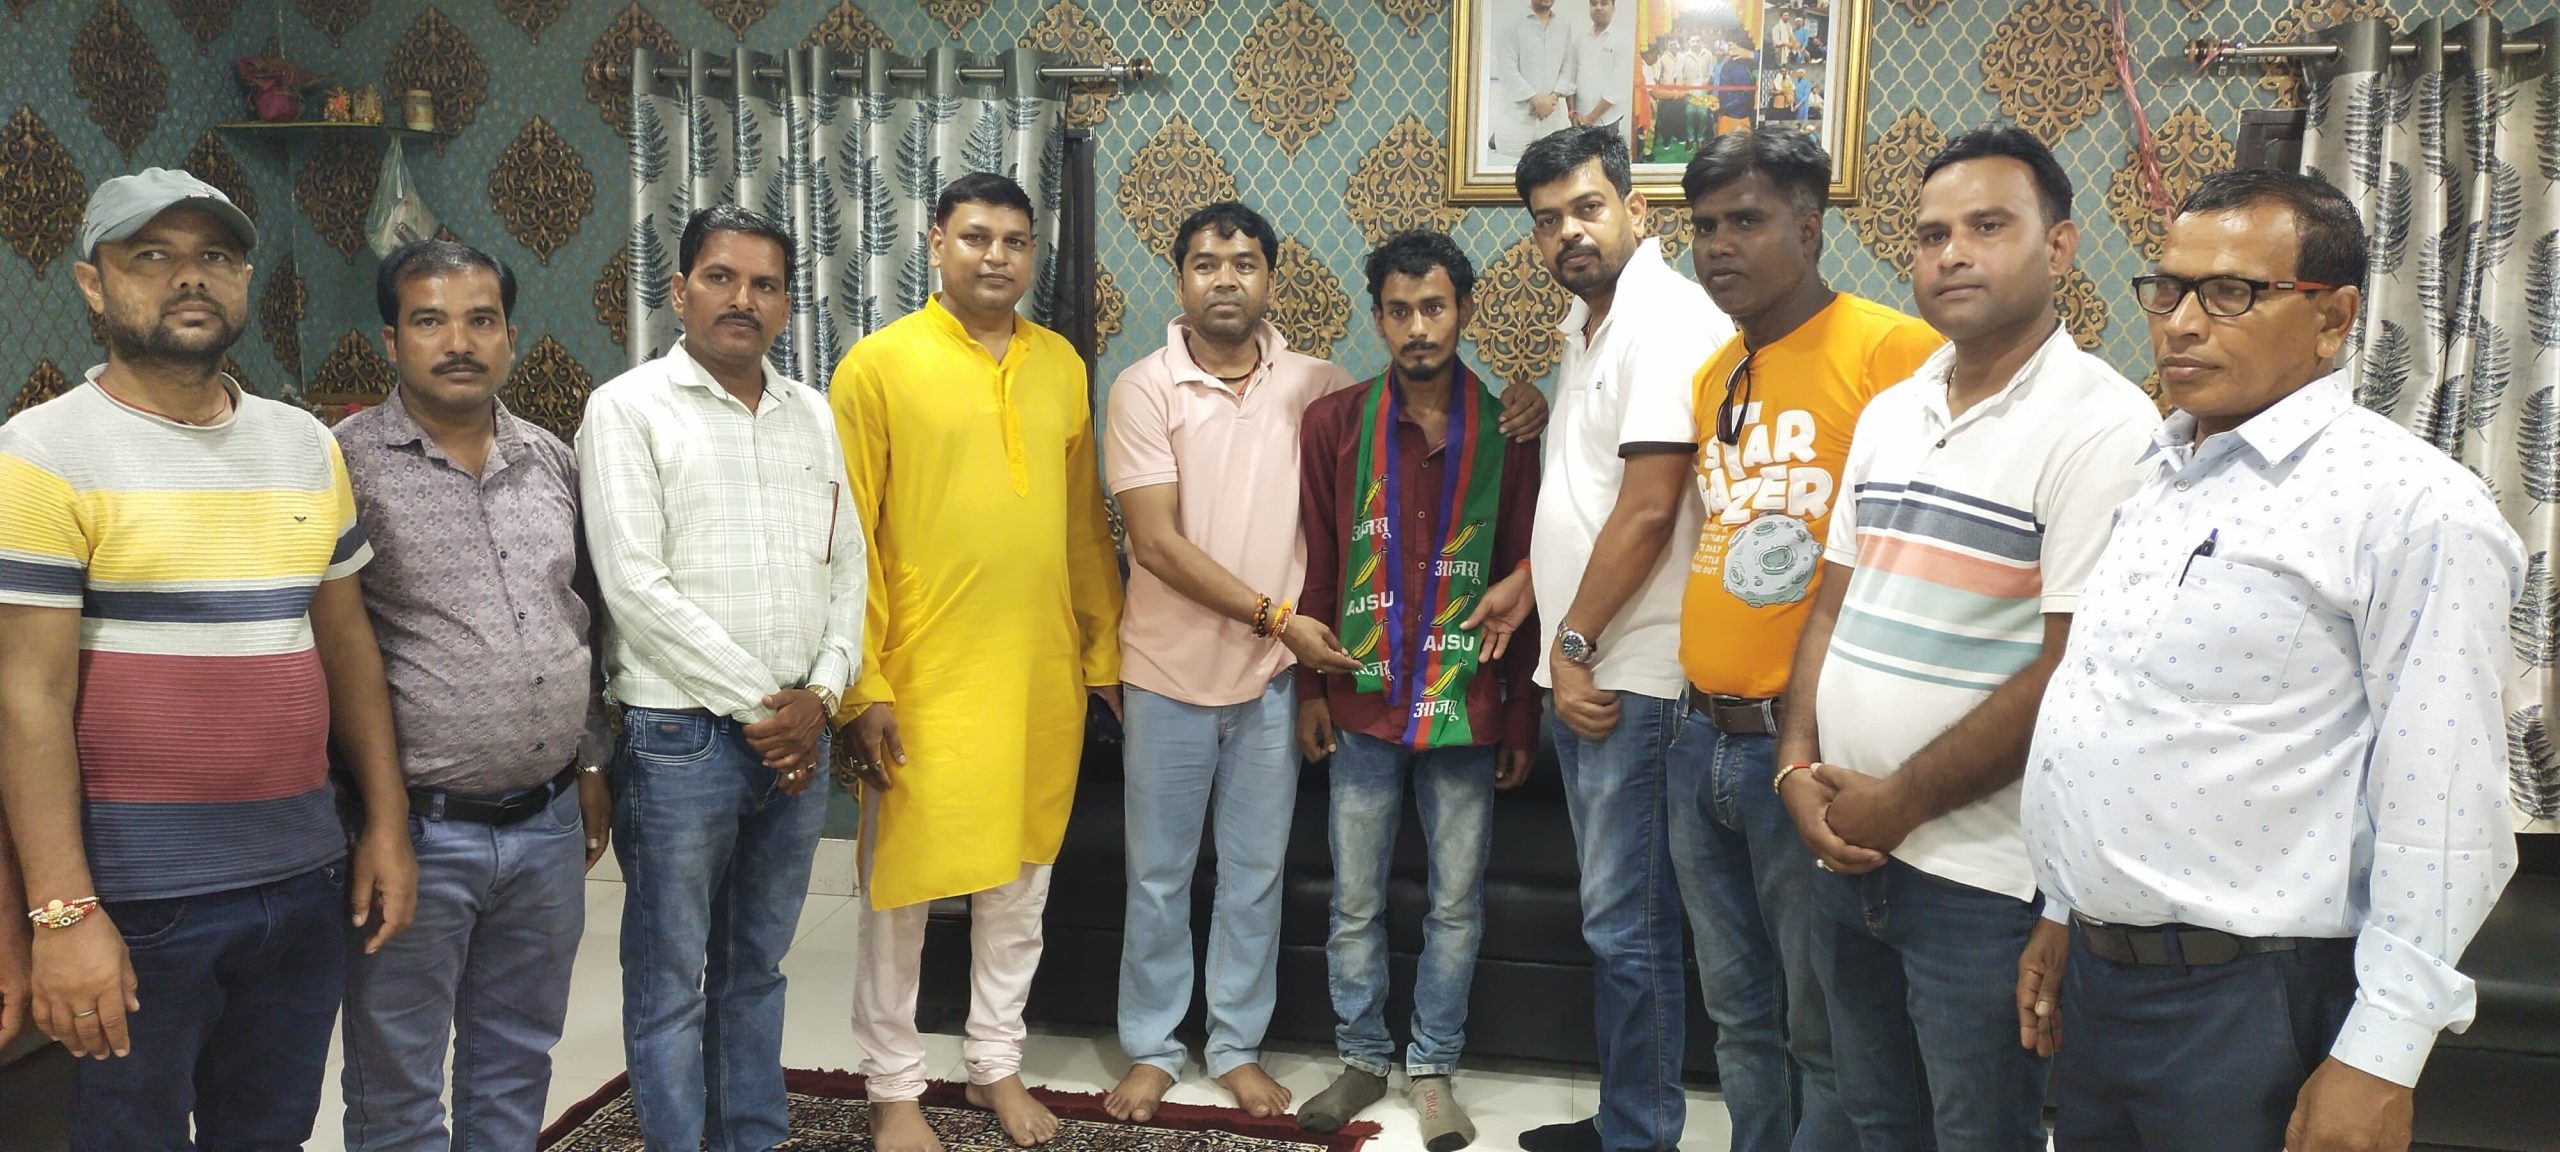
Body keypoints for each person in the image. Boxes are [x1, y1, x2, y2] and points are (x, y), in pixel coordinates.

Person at [2019, 168, 2524, 1152]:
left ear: (2333, 319)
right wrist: (2063, 907)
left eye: (2231, 293)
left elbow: (2445, 804)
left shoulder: (2413, 508)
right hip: (2103, 985)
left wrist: (2381, 1054)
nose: (2181, 323)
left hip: (2256, 1002)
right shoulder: (2160, 477)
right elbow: (2118, 717)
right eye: (2168, 288)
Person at [1100, 202, 1549, 1127]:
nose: (1226, 278)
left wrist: (1532, 402)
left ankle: (1249, 1047)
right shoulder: (1163, 390)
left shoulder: (1328, 390)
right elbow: (1199, 547)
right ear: (1180, 278)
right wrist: (1304, 661)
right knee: (1169, 876)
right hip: (1202, 674)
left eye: (1245, 262)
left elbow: (1512, 556)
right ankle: (1161, 1047)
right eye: (1206, 263)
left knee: (1269, 876)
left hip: (1329, 687)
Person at [0, 167, 417, 1149]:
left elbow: (346, 646)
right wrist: (62, 914)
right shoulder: (40, 454)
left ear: (244, 280)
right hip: (135, 896)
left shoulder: (306, 444)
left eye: (215, 256)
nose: (189, 277)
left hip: (301, 875)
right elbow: (27, 696)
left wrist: (386, 824)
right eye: (152, 256)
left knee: (269, 1134)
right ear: (93, 283)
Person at [1771, 127, 2154, 1151]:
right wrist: (1795, 764)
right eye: (1932, 234)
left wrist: (1898, 802)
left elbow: (2069, 670)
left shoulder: (2105, 427)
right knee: (1874, 1120)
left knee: (1975, 1133)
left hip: (1981, 879)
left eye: (1988, 227)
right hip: (1844, 846)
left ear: (2059, 246)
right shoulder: (1891, 412)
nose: (1952, 254)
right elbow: (1830, 605)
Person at [832, 172, 1125, 1152]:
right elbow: (849, 540)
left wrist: (1100, 649)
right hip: (923, 681)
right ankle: (893, 1089)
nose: (996, 255)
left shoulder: (1060, 366)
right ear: (935, 243)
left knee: (1019, 888)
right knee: (902, 896)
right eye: (975, 237)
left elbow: (1083, 526)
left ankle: (995, 1063)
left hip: (1040, 676)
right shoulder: (877, 367)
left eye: (1014, 240)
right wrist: (864, 683)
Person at [1676, 130, 1944, 1152]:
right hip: (1697, 737)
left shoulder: (1891, 351)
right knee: (1737, 1012)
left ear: (1809, 227)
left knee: (1824, 1023)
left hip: (1805, 749)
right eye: (1705, 225)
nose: (1718, 245)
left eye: (1745, 220)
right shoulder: (1715, 374)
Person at [578, 204, 865, 1152]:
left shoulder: (811, 413)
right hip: (680, 741)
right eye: (721, 277)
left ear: (786, 303)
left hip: (797, 733)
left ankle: (753, 1134)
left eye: (766, 284)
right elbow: (634, 587)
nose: (744, 299)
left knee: (758, 965)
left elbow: (848, 565)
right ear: (679, 291)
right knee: (670, 978)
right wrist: (769, 710)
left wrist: (822, 695)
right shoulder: (626, 409)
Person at [333, 239, 617, 1151]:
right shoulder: (344, 466)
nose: (458, 342)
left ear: (510, 336)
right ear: (391, 340)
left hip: (545, 826)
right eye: (430, 321)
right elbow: (326, 646)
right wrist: (372, 822)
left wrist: (591, 764)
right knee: (399, 1083)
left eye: (480, 320)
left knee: (516, 1058)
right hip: (415, 829)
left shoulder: (552, 460)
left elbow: (585, 621)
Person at [1505, 127, 1733, 1152]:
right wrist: (1529, 588)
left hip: (1629, 674)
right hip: (1593, 660)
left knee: (1628, 923)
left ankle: (1639, 1133)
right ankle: (1625, 1118)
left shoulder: (1665, 320)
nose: (1568, 232)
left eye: (1587, 207)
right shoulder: (1589, 323)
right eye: (1547, 219)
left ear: (1637, 210)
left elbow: (1647, 511)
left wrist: (1574, 646)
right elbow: (1589, 493)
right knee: (1618, 920)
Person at [1293, 231, 1542, 1152]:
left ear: (1463, 310)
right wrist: (1312, 688)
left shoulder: (1510, 430)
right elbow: (1321, 559)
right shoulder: (1335, 425)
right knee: (1354, 899)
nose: (1418, 327)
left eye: (1434, 307)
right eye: (1399, 311)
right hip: (1362, 701)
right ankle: (1362, 1057)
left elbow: (1527, 570)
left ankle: (1433, 1067)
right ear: (1378, 319)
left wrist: (1522, 712)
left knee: (1454, 903)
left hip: (1467, 706)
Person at [1491, 0, 1578, 164]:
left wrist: (1553, 97)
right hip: (1515, 124)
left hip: (1552, 124)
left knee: (1550, 175)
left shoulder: (1564, 27)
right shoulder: (1511, 24)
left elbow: (1568, 69)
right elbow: (1508, 72)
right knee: (1510, 175)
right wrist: (1536, 100)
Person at [1570, 0, 1635, 131]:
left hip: (1607, 121)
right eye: (1594, 4)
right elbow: (1571, 75)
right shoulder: (1581, 38)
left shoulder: (1622, 40)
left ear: (1613, 8)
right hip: (1579, 119)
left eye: (1604, 3)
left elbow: (1617, 87)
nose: (1598, 7)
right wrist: (1572, 113)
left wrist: (1591, 118)